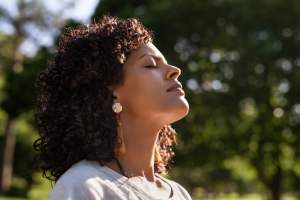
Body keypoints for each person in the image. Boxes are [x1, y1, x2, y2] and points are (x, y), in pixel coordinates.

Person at [33, 15, 191, 200]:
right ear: (108, 91)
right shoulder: (84, 187)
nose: (175, 70)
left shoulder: (179, 194)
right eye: (150, 64)